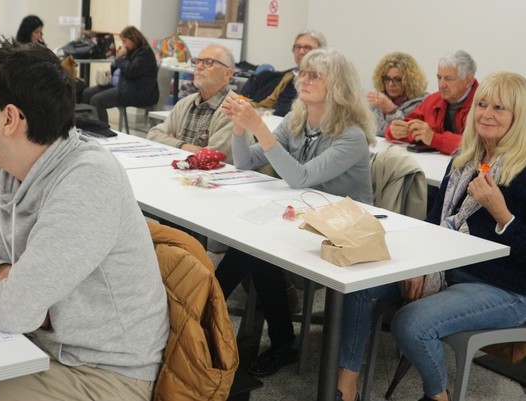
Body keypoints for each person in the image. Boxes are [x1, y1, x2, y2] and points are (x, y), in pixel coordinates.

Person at [0, 38, 168, 401]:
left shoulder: (87, 178)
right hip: (30, 343)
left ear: (9, 118)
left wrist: (8, 294)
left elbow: (12, 312)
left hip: (102, 370)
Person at [337, 71, 526, 401]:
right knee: (362, 284)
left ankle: (438, 396)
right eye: (482, 104)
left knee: (411, 323)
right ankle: (345, 387)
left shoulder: (522, 172)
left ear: (519, 117)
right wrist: (420, 265)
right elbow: (432, 224)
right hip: (449, 271)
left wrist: (502, 214)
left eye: (500, 108)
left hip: (505, 287)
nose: (487, 114)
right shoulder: (465, 160)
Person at [216, 47, 375, 377]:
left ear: (338, 85)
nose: (303, 79)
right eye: (303, 72)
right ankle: (225, 320)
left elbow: (300, 177)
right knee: (251, 246)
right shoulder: (296, 120)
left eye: (315, 75)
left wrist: (258, 127)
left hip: (341, 232)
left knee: (253, 248)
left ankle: (206, 312)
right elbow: (245, 163)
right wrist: (239, 128)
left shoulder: (352, 136)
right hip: (303, 218)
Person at [147, 44, 253, 164]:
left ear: (227, 73)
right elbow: (153, 135)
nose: (199, 67)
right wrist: (182, 145)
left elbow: (213, 157)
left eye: (208, 62)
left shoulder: (234, 109)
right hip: (181, 173)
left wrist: (171, 142)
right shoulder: (185, 103)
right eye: (197, 61)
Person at [387, 50, 478, 154]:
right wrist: (395, 132)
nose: (441, 85)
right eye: (439, 78)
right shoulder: (432, 101)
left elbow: (478, 146)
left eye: (448, 79)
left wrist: (435, 139)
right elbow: (405, 127)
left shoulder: (485, 105)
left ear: (468, 81)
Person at [81, 26, 158, 123]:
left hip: (137, 91)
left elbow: (131, 71)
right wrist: (115, 61)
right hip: (123, 85)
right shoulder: (130, 52)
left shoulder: (144, 53)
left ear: (133, 39)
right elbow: (115, 71)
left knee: (97, 100)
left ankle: (102, 130)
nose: (123, 44)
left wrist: (121, 58)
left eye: (125, 41)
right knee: (87, 93)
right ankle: (86, 124)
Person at [251, 29, 326, 117]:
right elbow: (266, 104)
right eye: (298, 47)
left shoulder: (323, 80)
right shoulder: (289, 77)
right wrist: (241, 104)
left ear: (321, 51)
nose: (301, 52)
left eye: (307, 47)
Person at [367, 52, 428, 137]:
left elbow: (407, 134)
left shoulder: (423, 103)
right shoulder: (378, 99)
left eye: (397, 79)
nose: (391, 84)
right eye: (387, 79)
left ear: (409, 81)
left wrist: (392, 111)